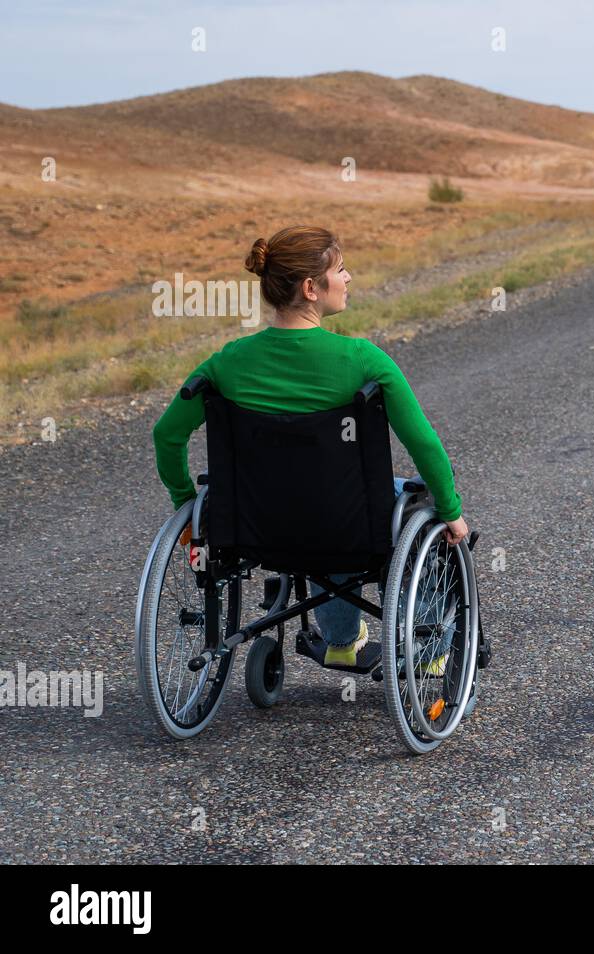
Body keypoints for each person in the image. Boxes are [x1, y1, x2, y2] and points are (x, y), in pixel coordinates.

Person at [152, 225, 468, 671]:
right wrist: (451, 510)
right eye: (340, 270)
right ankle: (430, 653)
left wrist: (187, 506)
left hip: (252, 525)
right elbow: (423, 442)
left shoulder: (227, 362)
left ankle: (341, 640)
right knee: (416, 505)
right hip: (345, 523)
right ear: (310, 288)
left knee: (330, 506)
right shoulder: (363, 360)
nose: (349, 278)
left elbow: (166, 435)